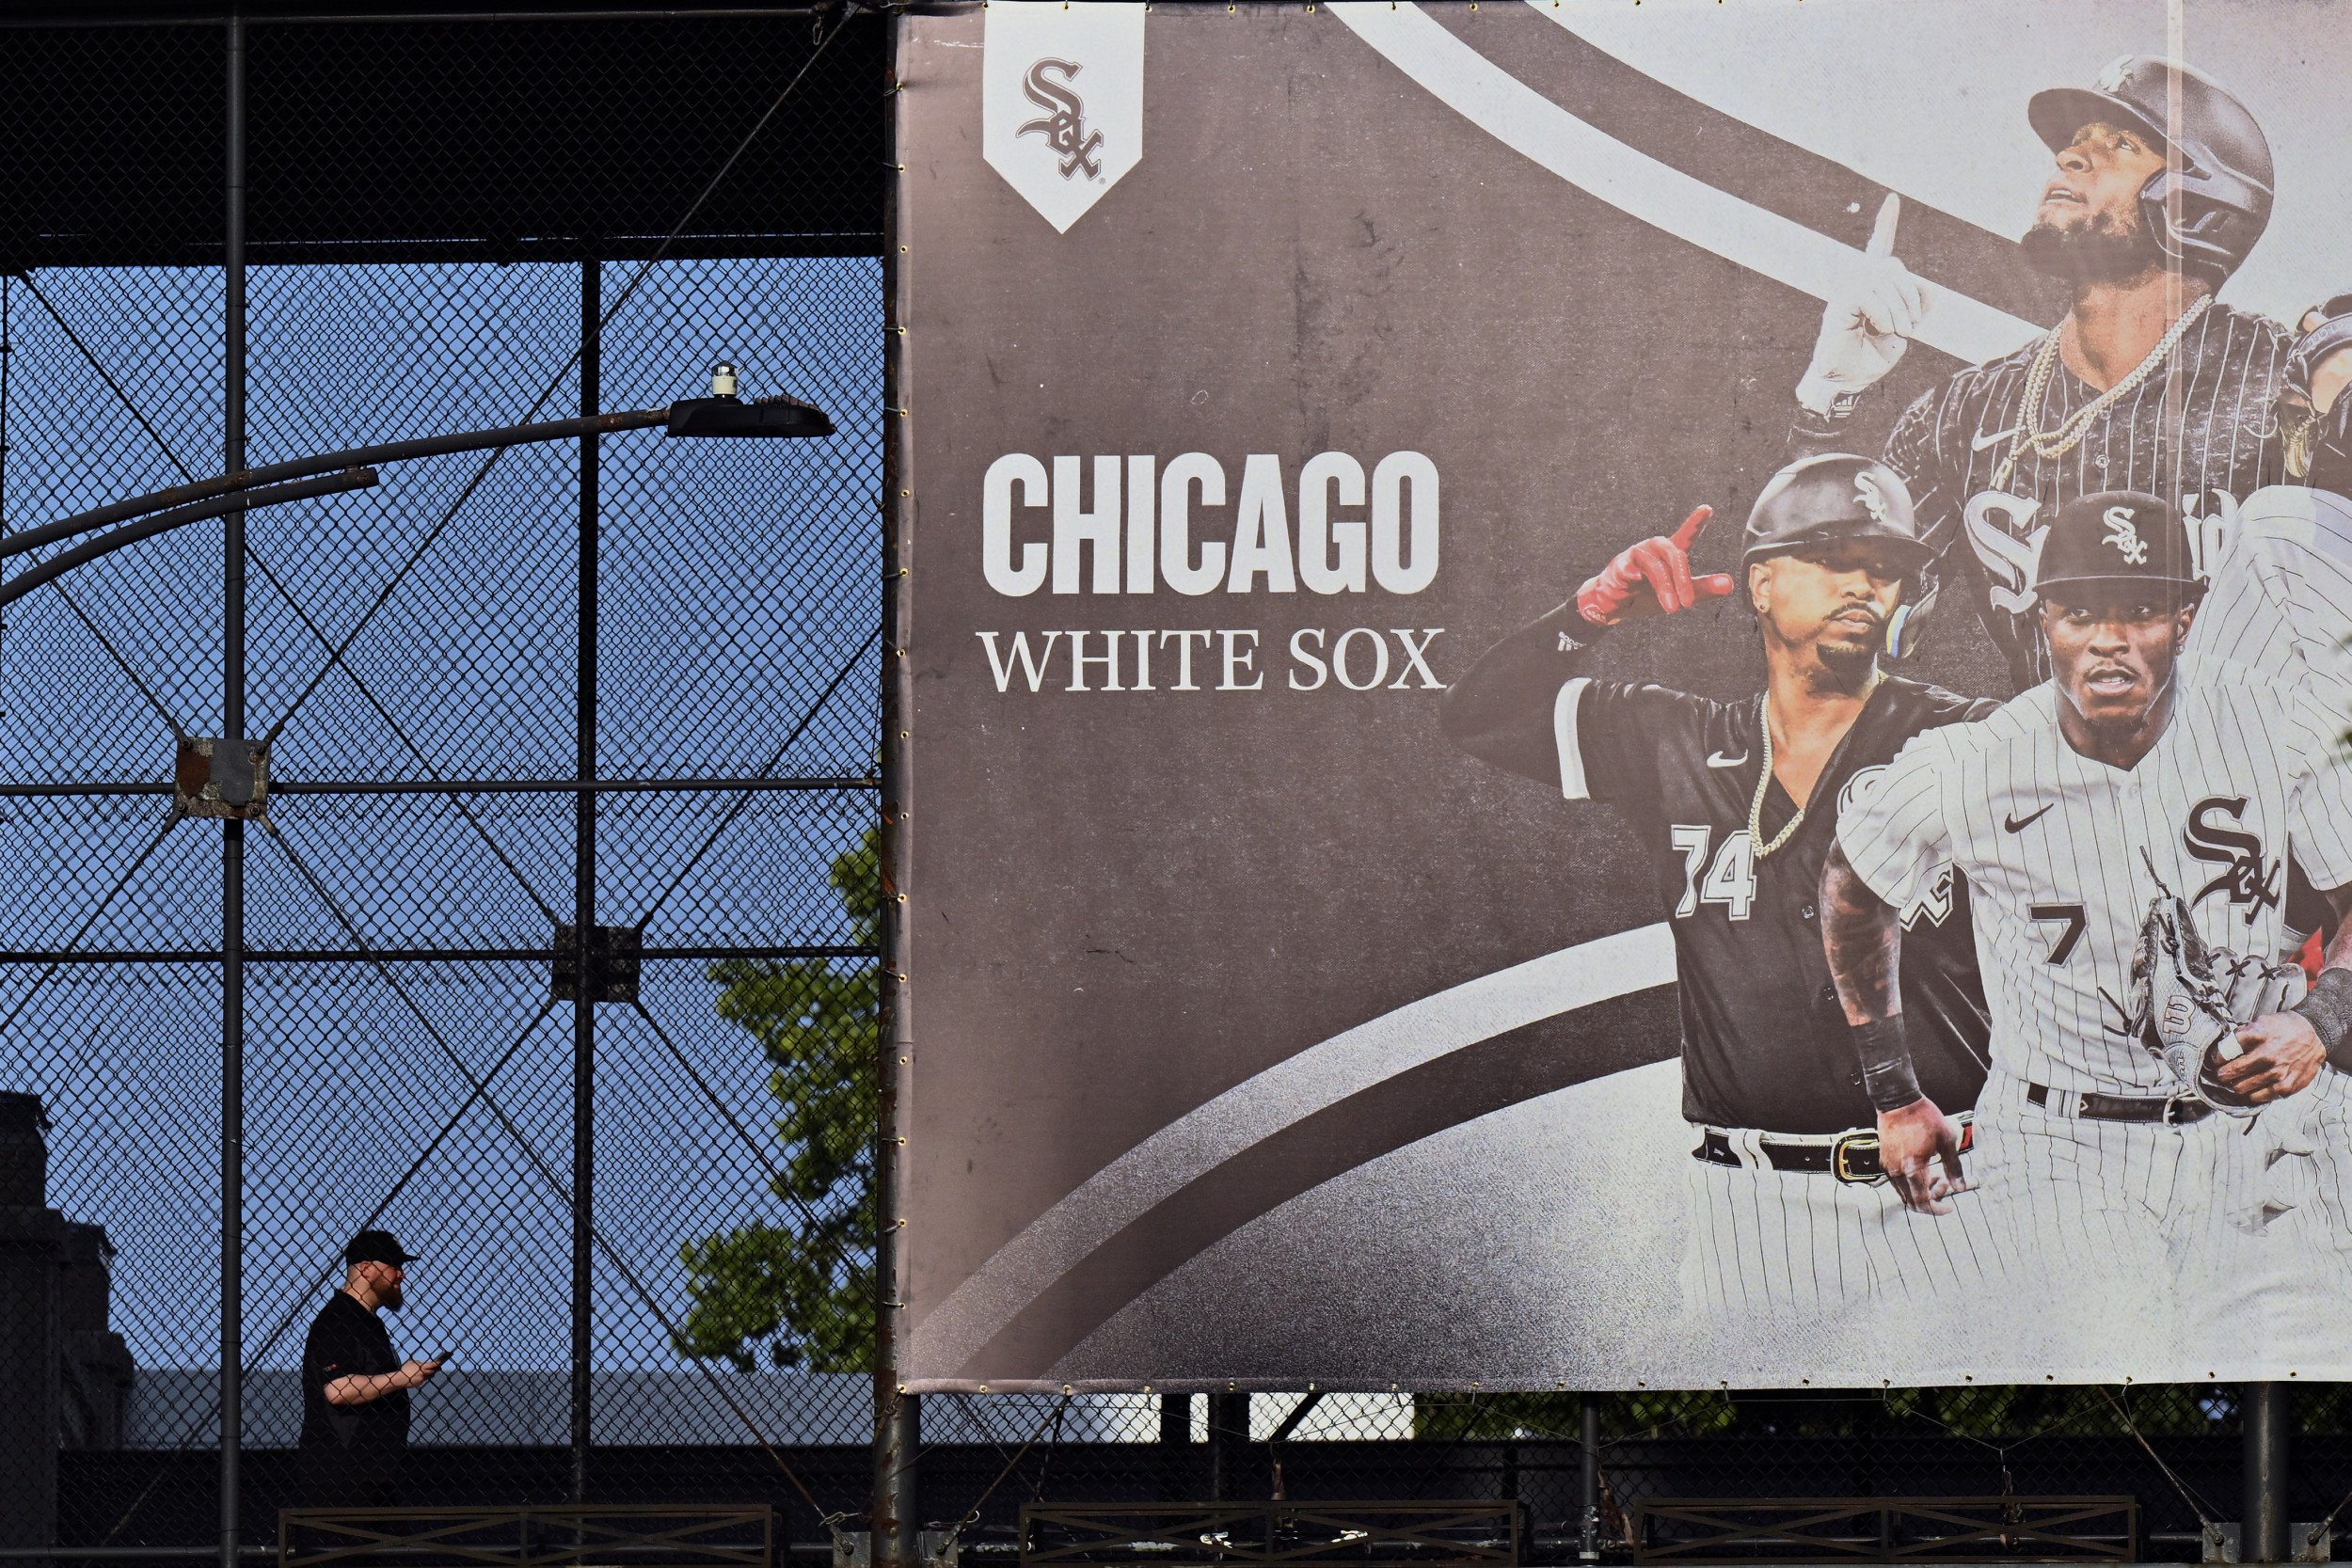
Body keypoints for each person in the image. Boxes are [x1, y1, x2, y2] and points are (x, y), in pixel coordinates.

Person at [1439, 454, 1997, 1322]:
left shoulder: (1967, 736)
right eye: (1835, 557)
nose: (1865, 584)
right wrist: (1588, 614)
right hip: (1750, 1198)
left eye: (1885, 568)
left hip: (1950, 1177)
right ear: (1761, 584)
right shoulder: (1673, 739)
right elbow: (1476, 715)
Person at [1821, 491, 2352, 1356]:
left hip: (2255, 1136)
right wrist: (1893, 1088)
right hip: (2062, 1143)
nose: (2109, 639)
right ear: (2042, 621)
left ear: (2187, 616)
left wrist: (2320, 1022)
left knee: (2295, 1382)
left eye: (2141, 609)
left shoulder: (2275, 719)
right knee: (2103, 1371)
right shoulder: (1974, 762)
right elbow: (1853, 885)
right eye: (2079, 612)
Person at [1791, 55, 2351, 691]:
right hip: (2054, 778)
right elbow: (1842, 624)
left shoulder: (2286, 381)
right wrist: (1827, 400)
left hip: (2256, 775)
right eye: (2073, 141)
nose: (2070, 157)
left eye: (2120, 143)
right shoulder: (1966, 411)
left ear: (2197, 202)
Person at [297, 1230, 443, 1509]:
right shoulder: (338, 1319)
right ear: (366, 1269)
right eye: (394, 1266)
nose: (402, 1275)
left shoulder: (367, 1322)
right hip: (342, 1482)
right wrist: (401, 1378)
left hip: (371, 1479)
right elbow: (339, 1389)